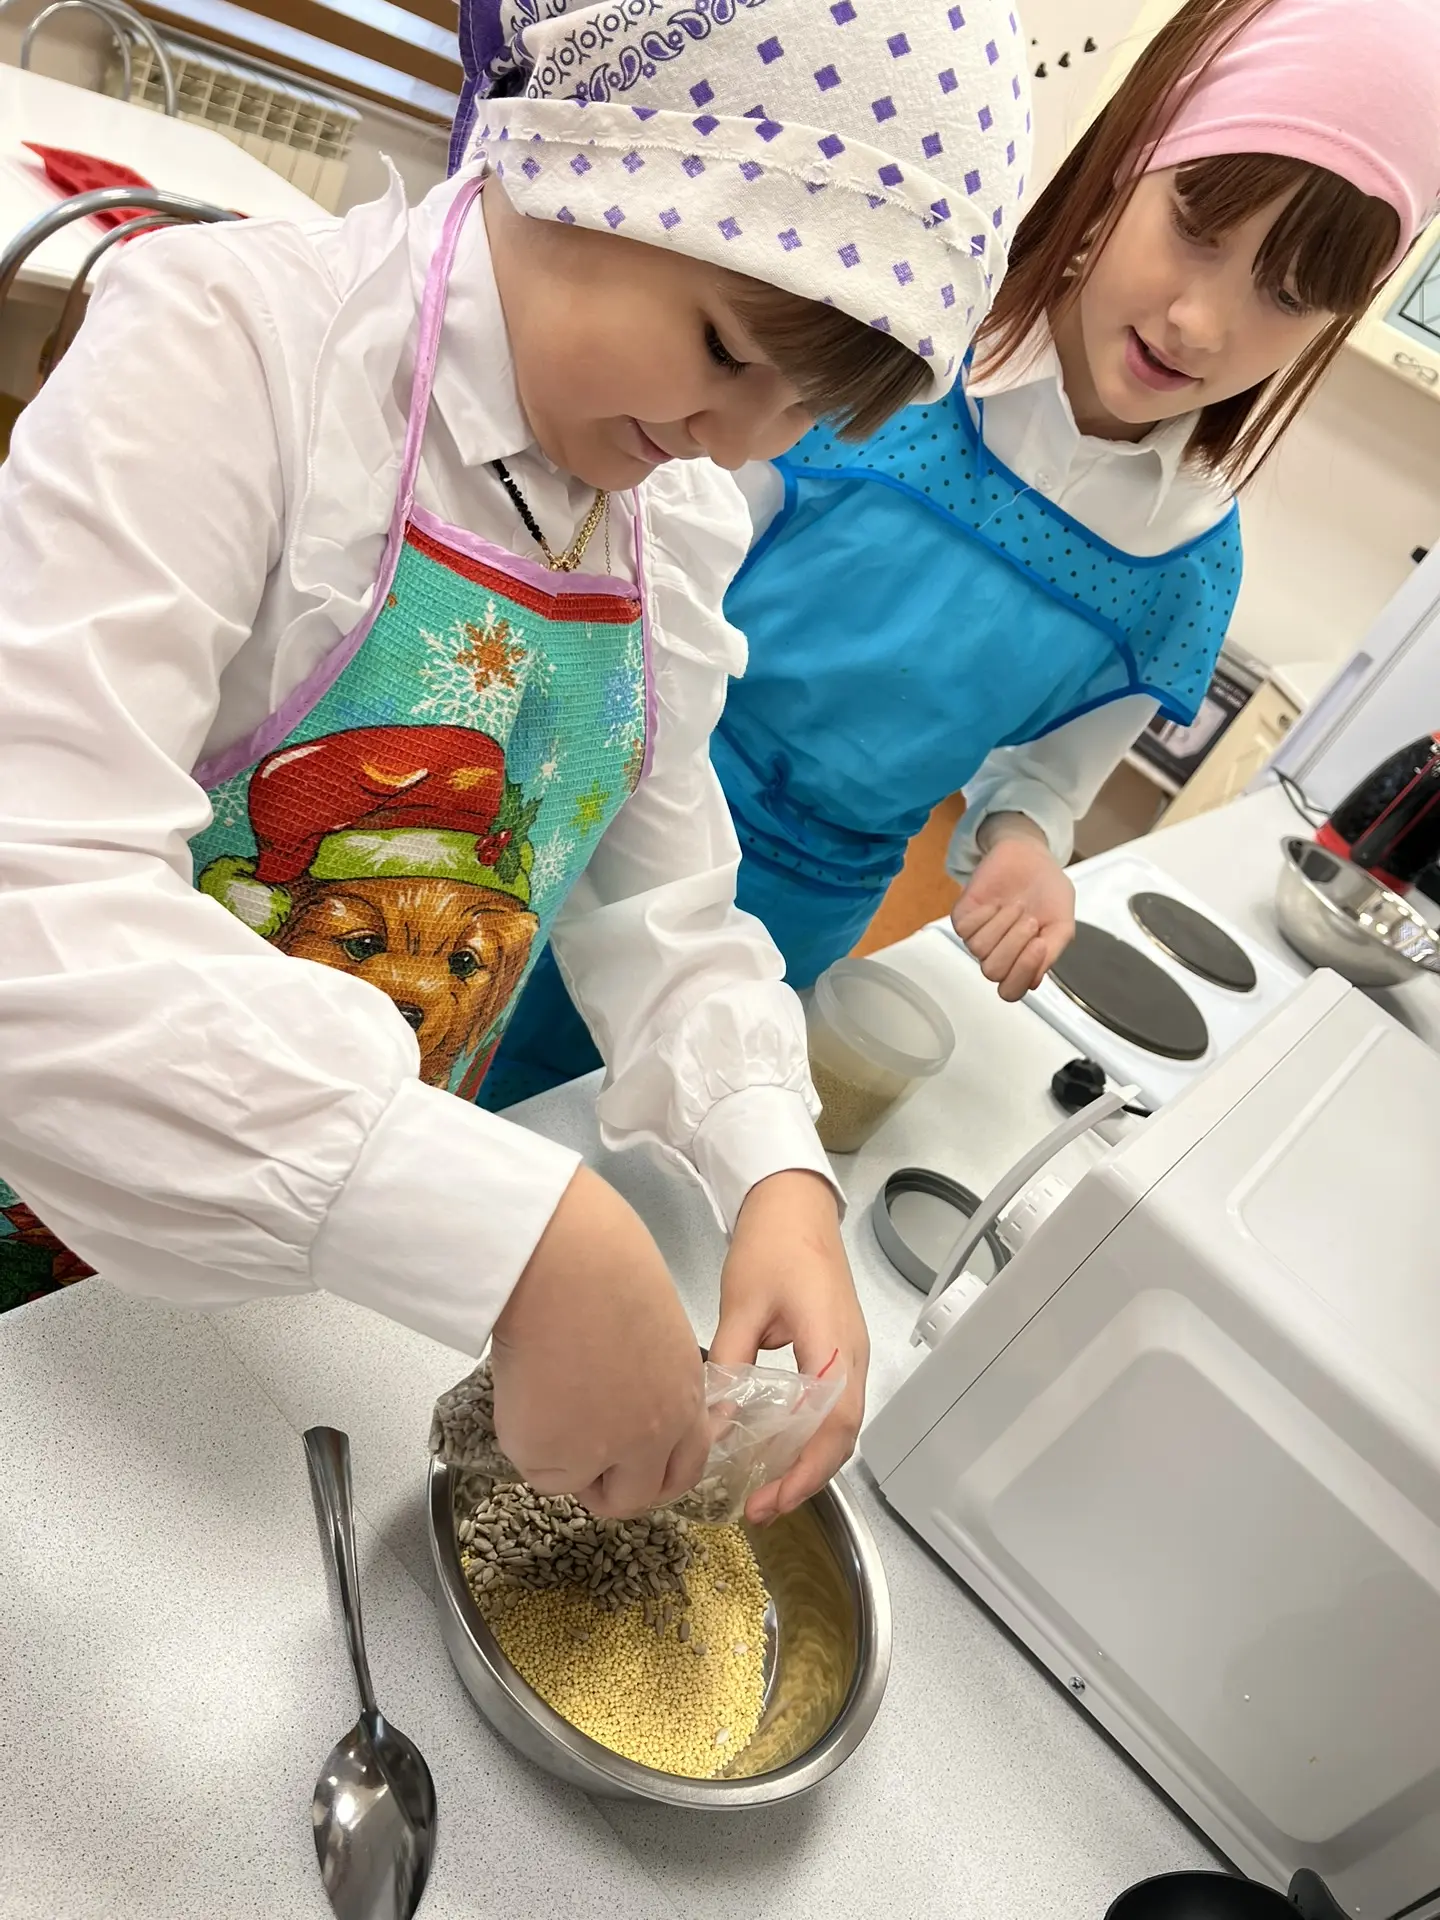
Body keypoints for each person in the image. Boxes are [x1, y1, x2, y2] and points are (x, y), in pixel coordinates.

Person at [0, 0, 1030, 1519]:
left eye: (805, 409)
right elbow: (35, 896)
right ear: (586, 148)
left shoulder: (670, 525)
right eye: (726, 349)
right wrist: (528, 1240)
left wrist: (773, 1163)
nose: (739, 440)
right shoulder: (238, 354)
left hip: (294, 1276)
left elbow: (661, 901)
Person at [488, 0, 1440, 1105]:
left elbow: (1045, 778)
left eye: (1286, 296)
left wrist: (1025, 848)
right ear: (1129, 158)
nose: (1200, 323)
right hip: (595, 801)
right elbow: (640, 568)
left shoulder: (1183, 569)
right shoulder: (894, 350)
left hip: (798, 919)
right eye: (1197, 226)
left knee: (655, 1127)